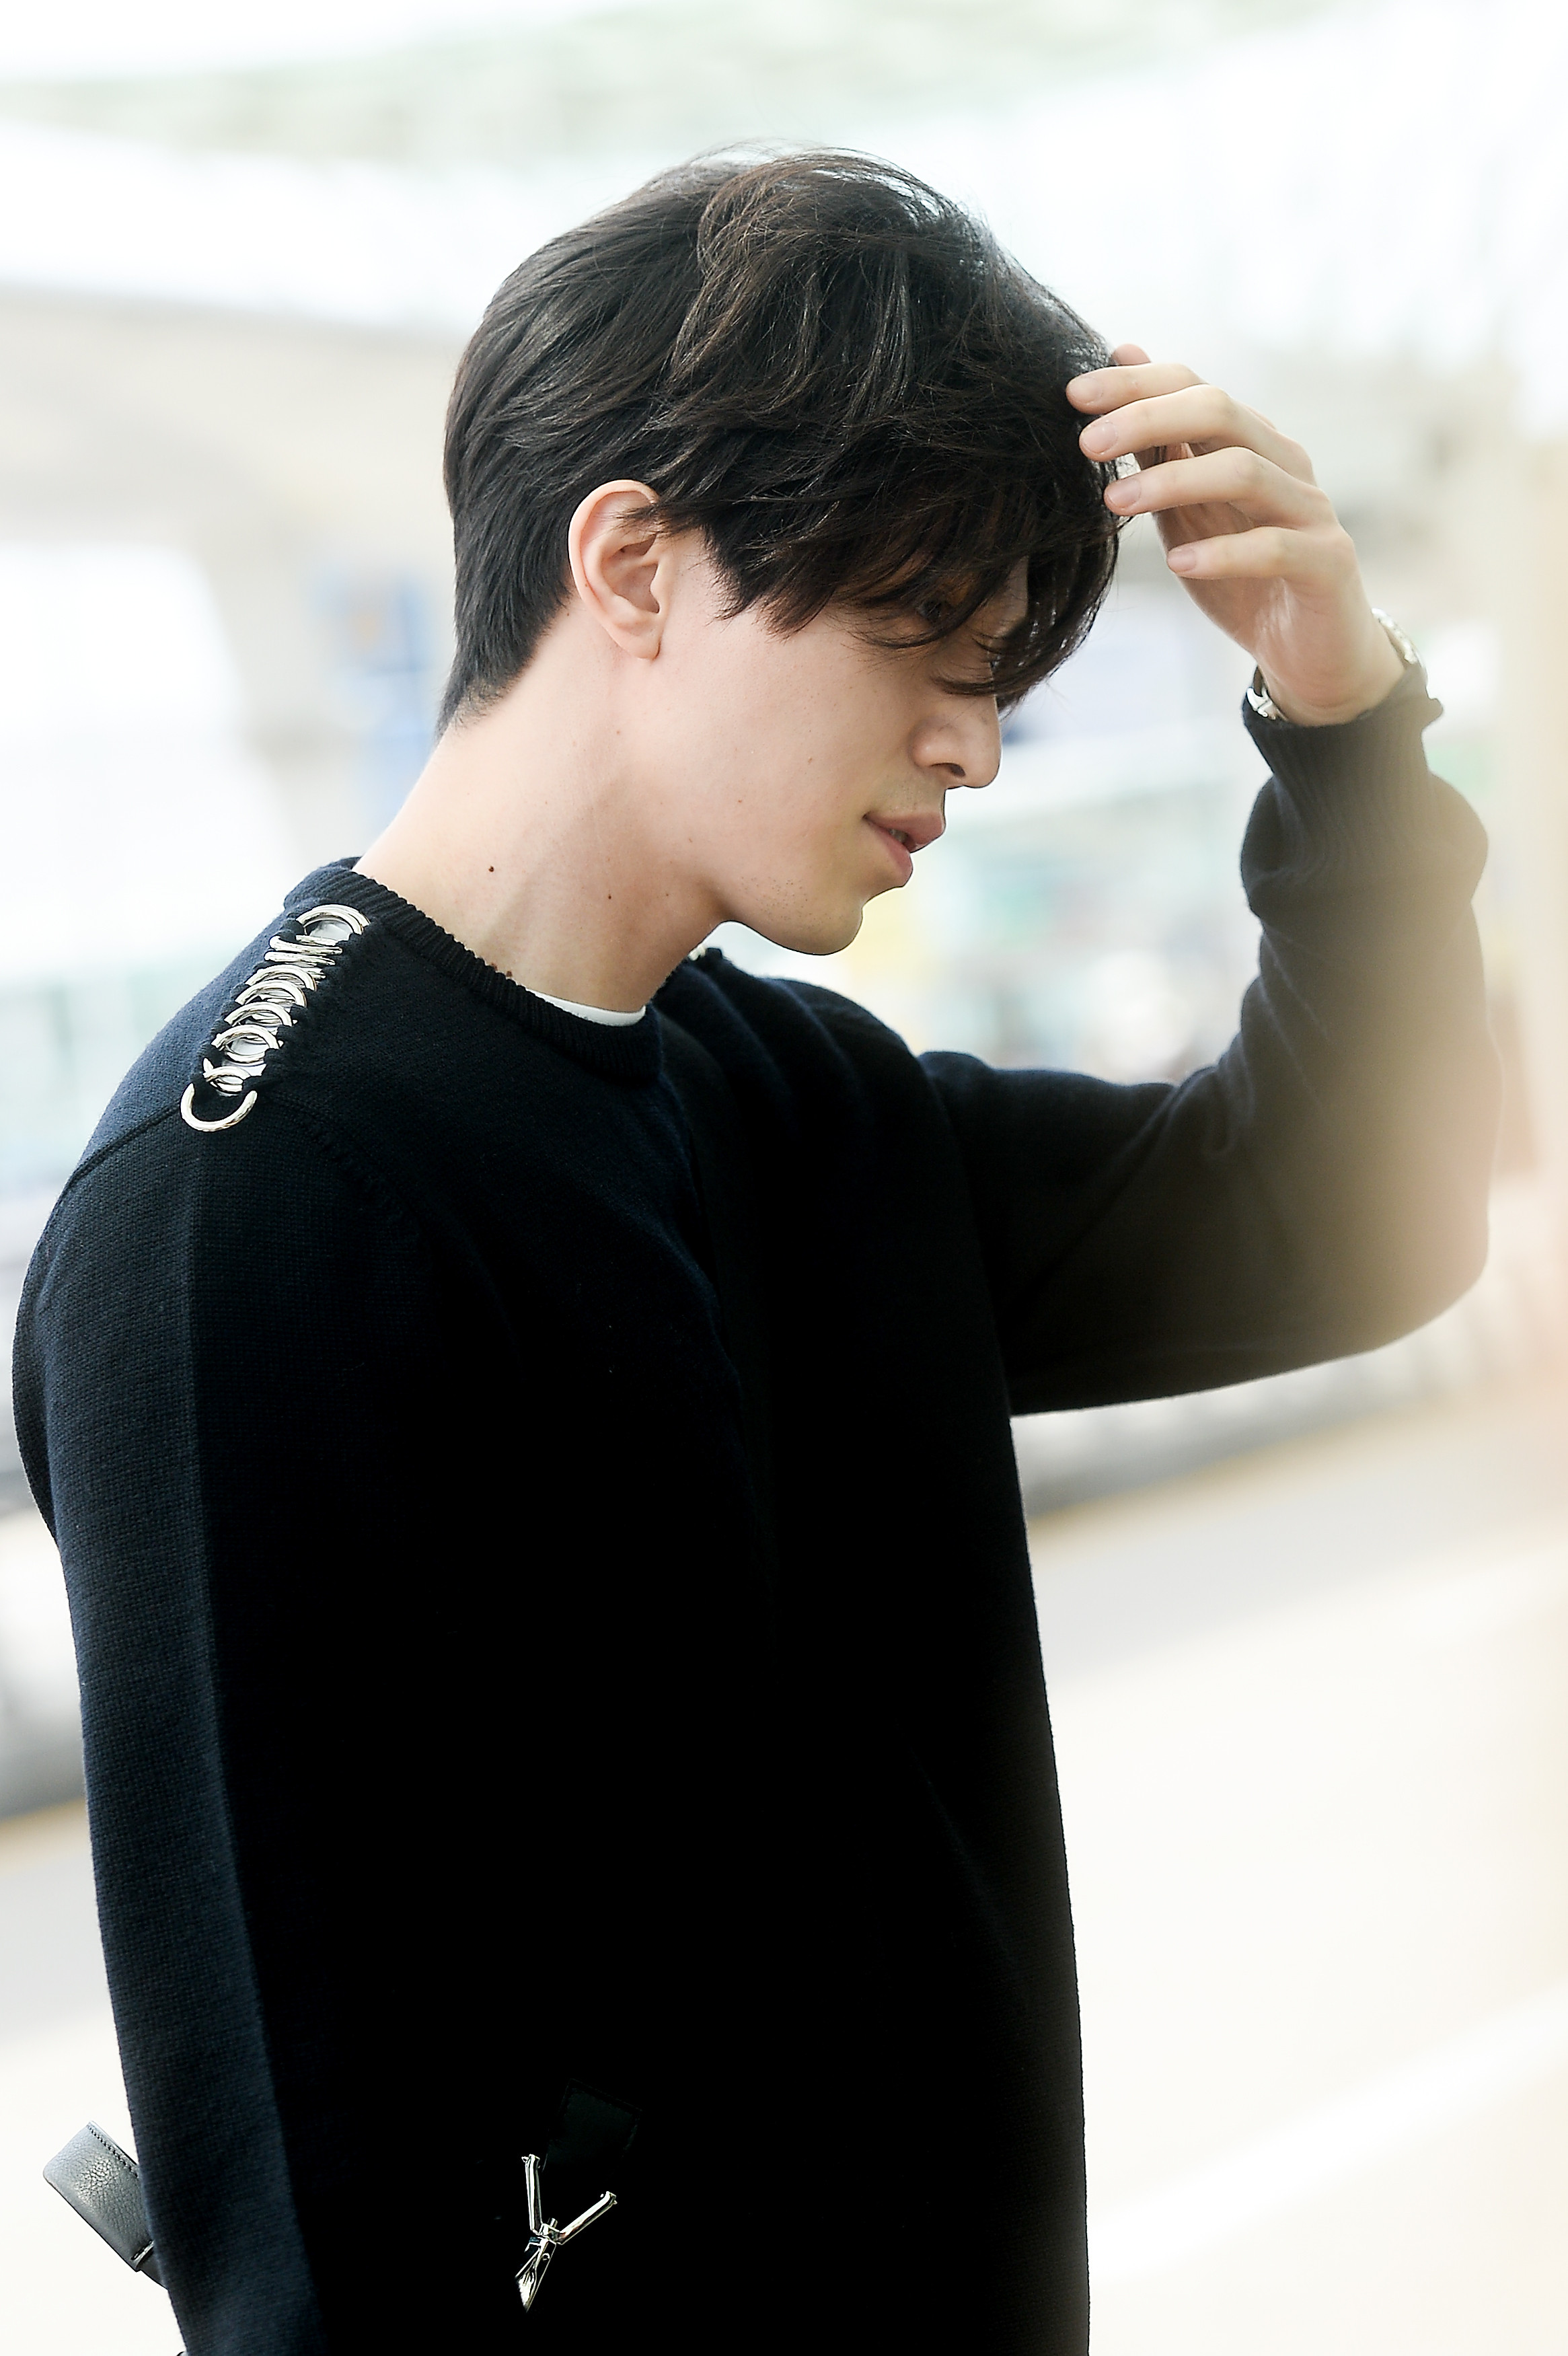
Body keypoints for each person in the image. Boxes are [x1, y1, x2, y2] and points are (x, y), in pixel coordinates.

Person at [13, 151, 1497, 2355]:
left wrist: (1343, 721)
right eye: (925, 643)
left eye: (1002, 675)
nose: (974, 745)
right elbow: (315, 2201)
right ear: (634, 562)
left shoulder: (778, 1093)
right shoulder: (251, 1203)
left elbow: (1328, 1219)